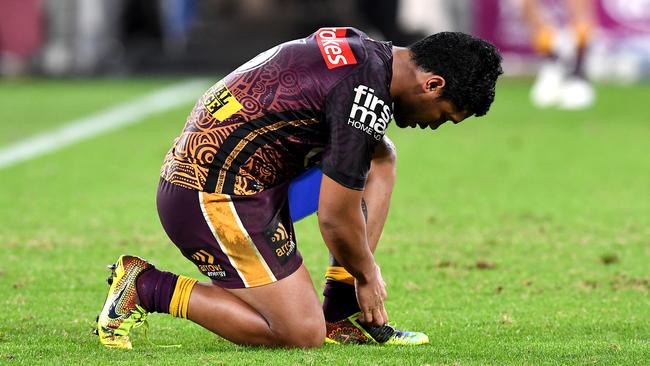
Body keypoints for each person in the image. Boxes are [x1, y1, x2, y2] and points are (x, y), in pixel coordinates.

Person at [95, 26, 502, 349]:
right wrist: (367, 275)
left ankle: (339, 316)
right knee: (300, 334)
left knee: (381, 157)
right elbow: (336, 218)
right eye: (445, 116)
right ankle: (146, 286)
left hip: (241, 177)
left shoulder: (368, 52)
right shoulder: (365, 95)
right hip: (211, 194)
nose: (435, 125)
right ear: (432, 85)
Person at [523, 0, 596, 109]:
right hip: (551, 38)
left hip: (574, 39)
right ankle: (553, 62)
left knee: (580, 16)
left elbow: (582, 14)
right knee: (544, 97)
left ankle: (577, 73)